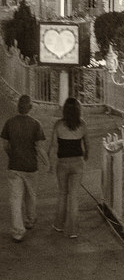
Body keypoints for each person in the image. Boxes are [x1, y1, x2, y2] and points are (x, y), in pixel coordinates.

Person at [1, 94, 48, 243]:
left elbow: (5, 145)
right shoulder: (36, 124)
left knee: (15, 199)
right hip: (30, 167)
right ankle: (30, 220)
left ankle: (17, 232)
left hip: (14, 166)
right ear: (30, 108)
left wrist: (12, 155)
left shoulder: (9, 123)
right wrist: (47, 162)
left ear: (18, 107)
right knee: (31, 195)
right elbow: (39, 148)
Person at [48, 96, 88, 239]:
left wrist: (51, 164)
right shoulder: (82, 125)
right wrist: (85, 157)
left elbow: (53, 146)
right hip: (78, 163)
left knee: (63, 194)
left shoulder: (58, 125)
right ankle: (73, 230)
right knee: (74, 196)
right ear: (78, 110)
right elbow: (87, 145)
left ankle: (59, 224)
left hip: (62, 163)